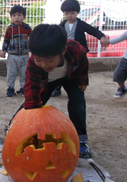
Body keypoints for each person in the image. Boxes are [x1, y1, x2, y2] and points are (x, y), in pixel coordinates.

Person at [7, 24, 92, 159]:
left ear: (63, 51)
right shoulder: (33, 63)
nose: (44, 64)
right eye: (38, 59)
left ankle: (81, 140)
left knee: (78, 103)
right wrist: (33, 110)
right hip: (48, 81)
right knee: (33, 103)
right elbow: (31, 87)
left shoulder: (74, 48)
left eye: (49, 60)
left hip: (70, 76)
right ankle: (12, 129)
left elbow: (83, 61)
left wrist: (82, 80)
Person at [51, 0, 109, 97]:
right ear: (63, 13)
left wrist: (102, 37)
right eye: (67, 13)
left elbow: (92, 30)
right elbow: (55, 36)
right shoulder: (61, 26)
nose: (69, 15)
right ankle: (57, 88)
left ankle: (79, 85)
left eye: (72, 13)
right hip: (65, 52)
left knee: (80, 69)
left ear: (77, 12)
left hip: (79, 52)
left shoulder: (81, 24)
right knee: (62, 69)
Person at [2, 5, 32, 97]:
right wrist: (3, 51)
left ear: (24, 17)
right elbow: (6, 40)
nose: (16, 17)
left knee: (24, 73)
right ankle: (10, 88)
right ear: (11, 17)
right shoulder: (10, 28)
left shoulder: (27, 28)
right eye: (14, 15)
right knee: (11, 73)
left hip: (24, 55)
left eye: (19, 15)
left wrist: (33, 50)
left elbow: (32, 39)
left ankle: (24, 88)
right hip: (12, 55)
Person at [106, 26, 127, 98]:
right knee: (118, 75)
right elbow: (121, 37)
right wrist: (109, 42)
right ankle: (122, 88)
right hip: (126, 58)